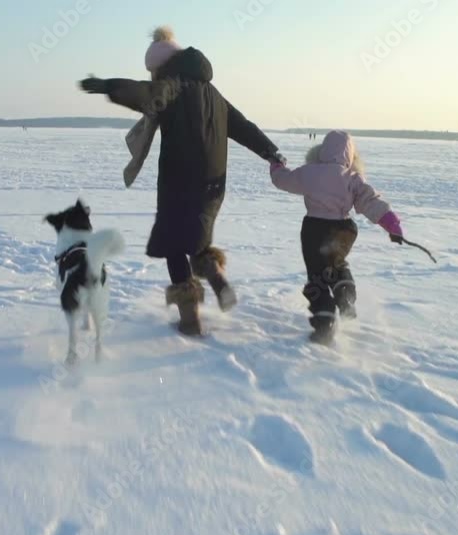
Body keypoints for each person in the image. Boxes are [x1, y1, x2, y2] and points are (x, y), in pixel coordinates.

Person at [79, 26, 283, 336]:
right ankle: (215, 275)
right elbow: (243, 127)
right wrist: (270, 151)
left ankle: (190, 321)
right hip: (214, 184)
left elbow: (144, 95)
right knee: (195, 237)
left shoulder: (172, 87)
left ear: (161, 67)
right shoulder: (214, 95)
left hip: (180, 181)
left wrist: (109, 86)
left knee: (173, 243)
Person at [269, 130, 405, 344]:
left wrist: (277, 166)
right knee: (335, 262)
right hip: (344, 229)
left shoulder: (310, 172)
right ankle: (345, 290)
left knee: (317, 274)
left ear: (322, 150)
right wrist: (392, 224)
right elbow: (371, 202)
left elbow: (283, 181)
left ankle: (324, 322)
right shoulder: (353, 177)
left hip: (315, 229)